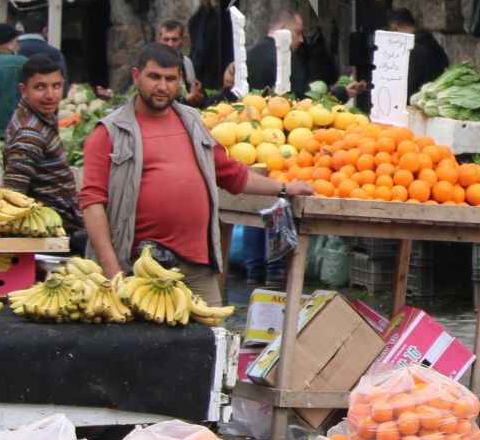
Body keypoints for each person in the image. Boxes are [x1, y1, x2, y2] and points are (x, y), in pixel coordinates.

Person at [79, 43, 310, 302]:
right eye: (154, 77)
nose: (162, 86)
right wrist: (113, 271)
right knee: (149, 342)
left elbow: (229, 173)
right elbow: (92, 203)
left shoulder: (191, 121)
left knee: (212, 337)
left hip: (197, 265)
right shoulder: (109, 132)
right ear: (136, 76)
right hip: (140, 267)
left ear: (180, 80)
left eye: (170, 79)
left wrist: (284, 188)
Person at [0, 53, 81, 236]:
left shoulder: (40, 118)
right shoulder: (30, 134)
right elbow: (13, 193)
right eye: (40, 87)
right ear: (23, 89)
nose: (50, 95)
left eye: (56, 86)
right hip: (48, 229)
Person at [244, 10, 340, 94]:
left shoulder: (248, 55)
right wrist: (341, 94)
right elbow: (303, 97)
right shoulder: (287, 58)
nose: (301, 40)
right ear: (282, 28)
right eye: (297, 32)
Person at [385, 8, 451, 100]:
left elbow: (407, 89)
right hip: (435, 104)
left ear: (394, 27)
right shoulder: (433, 43)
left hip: (417, 109)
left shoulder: (412, 50)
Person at [156, 17, 204, 103]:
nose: (170, 44)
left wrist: (198, 92)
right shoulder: (154, 65)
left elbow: (192, 92)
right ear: (159, 40)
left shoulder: (187, 62)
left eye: (175, 40)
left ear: (183, 40)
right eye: (166, 40)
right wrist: (187, 100)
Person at [16, 10, 68, 82]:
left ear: (24, 30)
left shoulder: (13, 51)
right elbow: (63, 84)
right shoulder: (56, 54)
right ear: (45, 30)